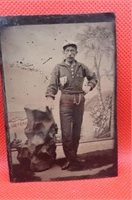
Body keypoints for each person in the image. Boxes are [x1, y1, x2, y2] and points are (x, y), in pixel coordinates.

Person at [46, 41, 97, 170]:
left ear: (76, 53)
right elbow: (52, 85)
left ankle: (74, 156)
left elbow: (93, 78)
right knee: (67, 133)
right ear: (64, 53)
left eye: (72, 51)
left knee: (76, 132)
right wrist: (50, 98)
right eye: (67, 51)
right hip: (66, 100)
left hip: (80, 99)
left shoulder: (82, 66)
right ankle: (70, 159)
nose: (70, 53)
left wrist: (89, 87)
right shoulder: (58, 67)